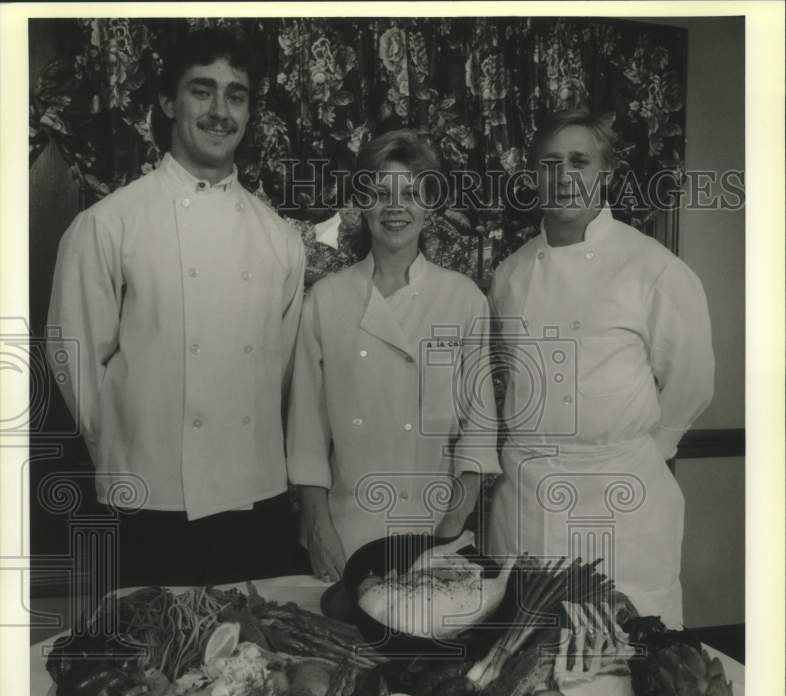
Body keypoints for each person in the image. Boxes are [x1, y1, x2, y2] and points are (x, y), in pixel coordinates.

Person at [46, 29, 307, 587]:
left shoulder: (280, 239)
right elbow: (74, 361)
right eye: (202, 91)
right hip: (149, 502)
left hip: (254, 499)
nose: (220, 111)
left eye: (235, 96)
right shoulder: (108, 224)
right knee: (152, 670)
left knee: (257, 666)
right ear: (168, 102)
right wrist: (128, 451)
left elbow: (277, 372)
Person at [487, 109, 714, 625]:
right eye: (550, 163)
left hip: (621, 496)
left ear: (604, 174)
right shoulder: (512, 273)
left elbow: (693, 381)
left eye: (579, 161)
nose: (564, 176)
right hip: (528, 499)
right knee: (527, 658)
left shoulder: (654, 269)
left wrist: (637, 453)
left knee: (621, 658)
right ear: (534, 175)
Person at [286, 130, 501, 582]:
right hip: (346, 532)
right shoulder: (326, 299)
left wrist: (447, 534)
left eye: (410, 193)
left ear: (430, 204)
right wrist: (321, 533)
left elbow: (479, 435)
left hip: (434, 530)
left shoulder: (462, 299)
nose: (395, 207)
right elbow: (306, 435)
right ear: (363, 205)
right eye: (380, 193)